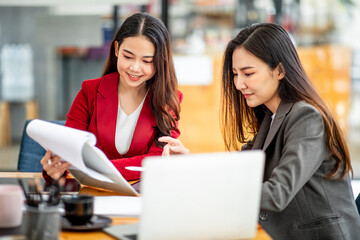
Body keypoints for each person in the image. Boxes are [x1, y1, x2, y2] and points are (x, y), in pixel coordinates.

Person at [159, 23, 360, 239]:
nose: (238, 84)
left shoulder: (306, 118)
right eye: (236, 74)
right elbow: (237, 168)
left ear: (280, 70)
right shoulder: (271, 117)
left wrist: (210, 189)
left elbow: (277, 193)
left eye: (248, 73)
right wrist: (188, 162)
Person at [41, 12, 182, 183]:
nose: (135, 68)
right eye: (128, 57)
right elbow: (70, 150)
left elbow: (156, 159)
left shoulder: (168, 100)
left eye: (147, 61)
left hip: (143, 197)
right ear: (116, 49)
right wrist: (55, 171)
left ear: (160, 61)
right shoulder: (90, 91)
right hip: (93, 195)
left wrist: (94, 168)